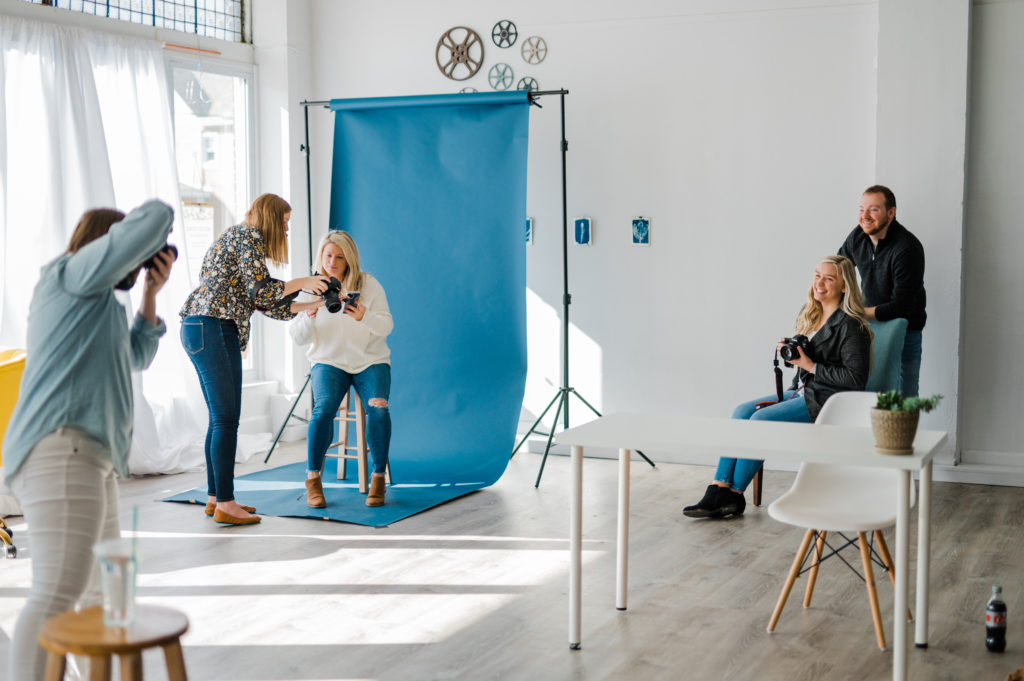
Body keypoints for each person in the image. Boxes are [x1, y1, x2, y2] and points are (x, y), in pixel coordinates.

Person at [2, 199, 175, 681]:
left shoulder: (96, 302)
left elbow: (136, 355)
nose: (136, 267)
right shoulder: (68, 276)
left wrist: (150, 295)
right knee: (57, 588)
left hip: (89, 456)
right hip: (60, 448)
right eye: (134, 257)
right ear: (107, 247)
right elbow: (157, 215)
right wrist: (152, 233)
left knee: (101, 589)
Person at [682, 255, 872, 519]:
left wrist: (809, 365)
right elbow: (805, 364)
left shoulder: (851, 325)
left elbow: (855, 379)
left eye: (829, 278)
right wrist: (791, 352)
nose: (820, 283)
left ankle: (734, 496)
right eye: (817, 275)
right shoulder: (810, 314)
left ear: (844, 286)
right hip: (801, 392)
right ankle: (719, 487)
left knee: (760, 421)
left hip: (828, 401)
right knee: (741, 411)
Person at [180, 193, 329, 526]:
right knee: (226, 419)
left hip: (197, 327)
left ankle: (216, 498)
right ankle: (226, 503)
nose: (287, 231)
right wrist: (305, 281)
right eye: (286, 223)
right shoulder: (249, 235)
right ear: (273, 217)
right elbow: (261, 292)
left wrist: (307, 305)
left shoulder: (233, 238)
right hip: (213, 328)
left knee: (219, 419)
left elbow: (266, 304)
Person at [290, 231, 393, 508]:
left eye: (339, 256)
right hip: (328, 361)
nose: (332, 262)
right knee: (323, 409)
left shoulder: (369, 285)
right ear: (320, 257)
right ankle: (313, 479)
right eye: (328, 255)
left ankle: (378, 478)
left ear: (349, 259)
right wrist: (309, 316)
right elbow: (299, 338)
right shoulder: (311, 288)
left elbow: (386, 327)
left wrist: (364, 315)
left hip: (370, 360)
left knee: (379, 406)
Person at [839, 185, 926, 396]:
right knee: (871, 394)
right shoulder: (857, 236)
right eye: (861, 209)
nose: (865, 216)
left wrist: (856, 311)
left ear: (891, 213)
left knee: (904, 398)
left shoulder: (907, 247)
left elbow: (901, 307)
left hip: (906, 328)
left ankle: (904, 429)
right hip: (870, 328)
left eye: (873, 210)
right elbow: (838, 270)